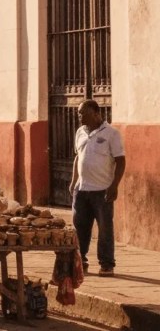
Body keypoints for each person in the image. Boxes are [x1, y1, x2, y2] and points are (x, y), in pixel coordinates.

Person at [70, 99, 125, 277]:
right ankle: (81, 261)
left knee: (105, 228)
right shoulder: (80, 132)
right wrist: (73, 182)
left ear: (95, 113)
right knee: (80, 227)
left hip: (102, 189)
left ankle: (107, 264)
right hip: (82, 189)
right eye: (78, 113)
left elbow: (120, 160)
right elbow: (78, 158)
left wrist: (114, 185)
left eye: (82, 113)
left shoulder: (111, 134)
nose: (79, 116)